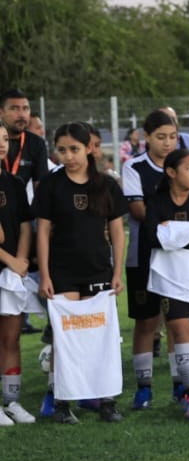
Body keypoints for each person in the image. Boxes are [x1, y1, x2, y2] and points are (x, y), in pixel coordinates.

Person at [33, 122, 127, 423]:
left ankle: (107, 401)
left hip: (98, 269)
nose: (68, 156)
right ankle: (61, 403)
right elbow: (43, 232)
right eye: (62, 150)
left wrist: (117, 271)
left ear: (89, 148)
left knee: (102, 337)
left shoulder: (107, 185)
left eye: (74, 149)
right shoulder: (50, 184)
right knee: (65, 338)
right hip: (62, 271)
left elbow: (117, 231)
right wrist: (45, 275)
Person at [142, 148, 189, 417]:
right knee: (181, 331)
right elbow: (152, 237)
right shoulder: (157, 202)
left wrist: (173, 231)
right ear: (171, 172)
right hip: (168, 279)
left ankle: (185, 386)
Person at [121, 109, 179, 409]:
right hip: (143, 255)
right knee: (146, 322)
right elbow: (138, 212)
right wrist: (177, 224)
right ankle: (144, 387)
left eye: (172, 137)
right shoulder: (134, 167)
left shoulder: (183, 165)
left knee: (177, 322)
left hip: (179, 258)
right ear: (147, 137)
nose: (167, 143)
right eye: (160, 137)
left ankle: (181, 386)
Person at [0, 127, 35, 424]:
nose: (1, 145)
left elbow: (25, 224)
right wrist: (10, 259)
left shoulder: (14, 182)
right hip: (6, 264)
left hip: (12, 273)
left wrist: (21, 260)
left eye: (3, 140)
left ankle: (12, 402)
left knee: (11, 339)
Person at [1, 89, 50, 193]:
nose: (21, 114)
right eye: (14, 109)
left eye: (25, 108)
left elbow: (41, 190)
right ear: (1, 112)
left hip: (20, 207)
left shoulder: (36, 144)